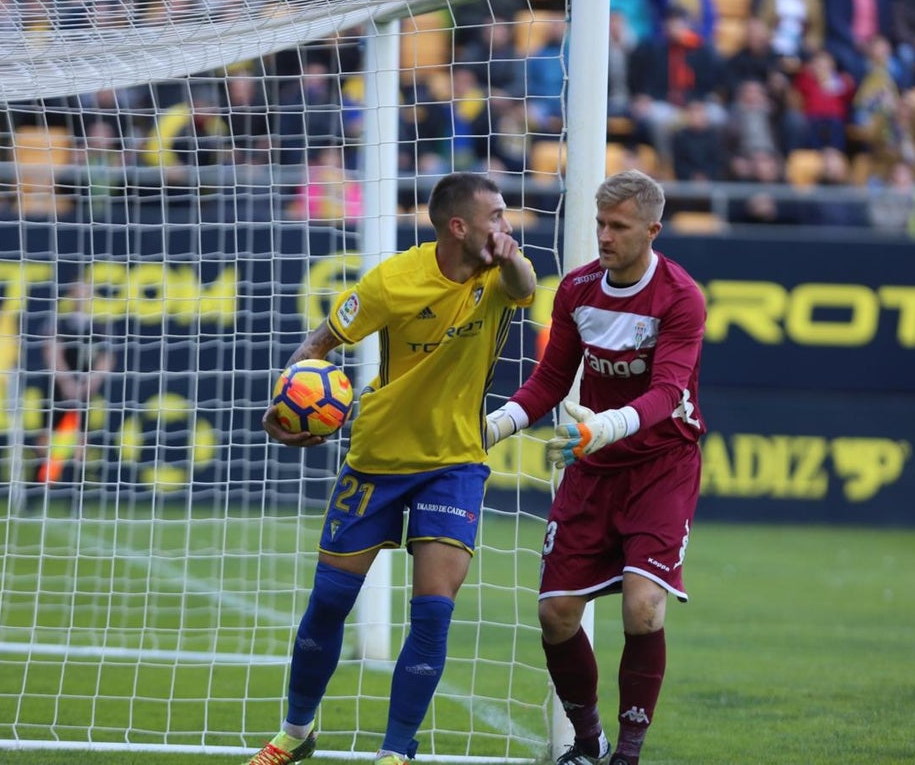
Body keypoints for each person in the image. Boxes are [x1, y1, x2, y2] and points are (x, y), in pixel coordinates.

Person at [249, 172, 536, 765]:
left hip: (454, 461)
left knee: (432, 610)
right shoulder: (394, 279)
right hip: (376, 459)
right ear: (459, 226)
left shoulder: (500, 275)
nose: (507, 227)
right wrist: (285, 409)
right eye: (497, 217)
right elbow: (319, 344)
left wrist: (509, 254)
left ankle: (395, 752)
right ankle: (296, 732)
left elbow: (525, 284)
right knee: (329, 602)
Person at [485, 170, 706, 765]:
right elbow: (552, 379)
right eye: (600, 224)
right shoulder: (578, 289)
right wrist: (496, 426)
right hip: (593, 463)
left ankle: (628, 754)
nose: (604, 237)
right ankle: (588, 745)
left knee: (642, 607)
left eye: (619, 227)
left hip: (662, 464)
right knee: (555, 614)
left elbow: (667, 392)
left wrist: (603, 427)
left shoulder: (680, 298)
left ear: (652, 231)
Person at [36, 273, 114, 485]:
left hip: (85, 390)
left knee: (81, 440)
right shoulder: (59, 323)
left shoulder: (99, 327)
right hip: (57, 388)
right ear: (70, 297)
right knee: (47, 438)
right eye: (77, 294)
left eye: (85, 294)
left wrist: (90, 383)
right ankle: (39, 488)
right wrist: (66, 381)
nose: (81, 299)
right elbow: (52, 353)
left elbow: (106, 359)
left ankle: (77, 495)